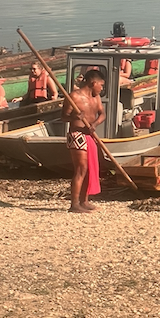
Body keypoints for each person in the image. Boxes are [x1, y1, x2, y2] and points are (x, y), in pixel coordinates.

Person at [61, 68, 105, 213]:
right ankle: (74, 204)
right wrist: (74, 117)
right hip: (76, 134)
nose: (101, 88)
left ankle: (84, 201)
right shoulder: (74, 97)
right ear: (93, 83)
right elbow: (63, 117)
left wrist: (95, 124)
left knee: (90, 168)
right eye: (101, 85)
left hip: (89, 134)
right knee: (81, 168)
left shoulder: (96, 97)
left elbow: (102, 114)